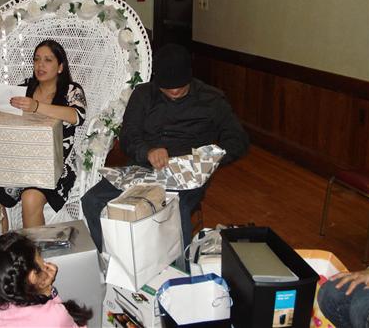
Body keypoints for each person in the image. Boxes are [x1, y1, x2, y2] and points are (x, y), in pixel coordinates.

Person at [82, 44, 249, 253]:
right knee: (92, 200)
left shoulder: (211, 99)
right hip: (142, 168)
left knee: (175, 208)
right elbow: (128, 136)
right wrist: (147, 151)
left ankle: (179, 267)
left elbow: (238, 140)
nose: (175, 91)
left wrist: (206, 158)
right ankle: (108, 258)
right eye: (167, 88)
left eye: (180, 86)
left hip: (187, 174)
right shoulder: (143, 94)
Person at [0, 40, 87, 230]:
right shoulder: (24, 88)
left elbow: (77, 116)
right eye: (37, 59)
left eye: (48, 60)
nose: (40, 65)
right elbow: (6, 115)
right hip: (21, 161)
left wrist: (36, 106)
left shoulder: (71, 90)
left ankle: (34, 250)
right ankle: (4, 245)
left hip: (56, 165)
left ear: (60, 66)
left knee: (30, 197)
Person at [0, 232, 92, 328]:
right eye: (41, 259)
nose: (45, 263)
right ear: (32, 277)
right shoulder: (54, 316)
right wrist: (49, 291)